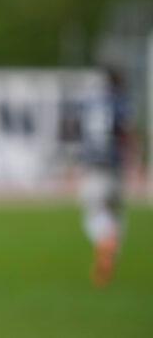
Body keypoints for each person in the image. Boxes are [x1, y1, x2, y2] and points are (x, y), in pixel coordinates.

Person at [78, 67, 131, 287]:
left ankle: (106, 244)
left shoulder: (91, 101)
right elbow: (124, 132)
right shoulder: (119, 102)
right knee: (115, 212)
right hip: (114, 167)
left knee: (93, 215)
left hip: (94, 166)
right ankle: (111, 247)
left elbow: (79, 129)